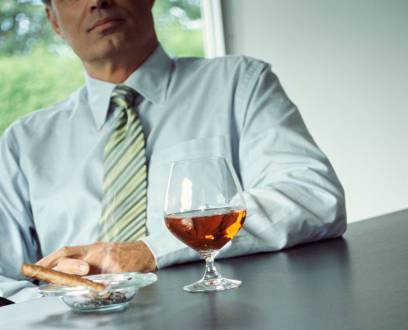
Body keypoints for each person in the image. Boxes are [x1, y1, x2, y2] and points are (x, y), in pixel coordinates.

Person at [0, 0, 346, 303]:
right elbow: (5, 279)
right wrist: (66, 301)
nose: (98, 1)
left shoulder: (240, 84)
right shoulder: (24, 143)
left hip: (226, 327)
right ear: (54, 21)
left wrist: (149, 250)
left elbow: (313, 197)